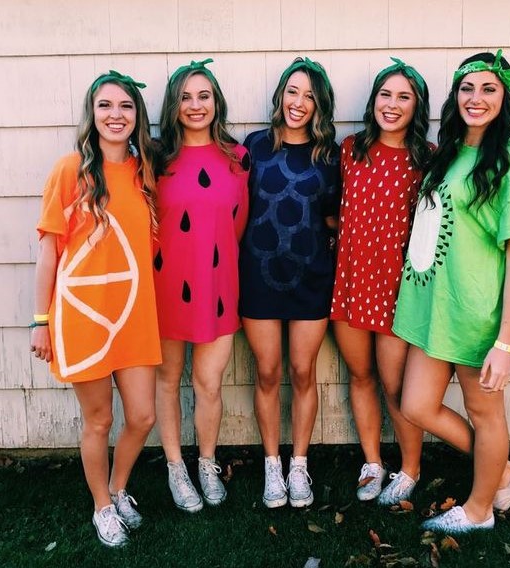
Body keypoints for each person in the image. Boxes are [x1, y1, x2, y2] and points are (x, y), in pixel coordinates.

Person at [393, 50, 510, 533]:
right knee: (415, 405)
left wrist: (505, 343)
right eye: (467, 89)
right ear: (456, 97)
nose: (476, 99)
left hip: (477, 316)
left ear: (504, 96)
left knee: (485, 414)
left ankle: (480, 511)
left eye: (489, 89)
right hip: (435, 310)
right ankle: (507, 472)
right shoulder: (451, 152)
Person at [30, 70, 161, 547]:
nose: (115, 115)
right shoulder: (71, 171)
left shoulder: (144, 172)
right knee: (99, 420)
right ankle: (101, 507)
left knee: (143, 415)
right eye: (105, 106)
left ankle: (119, 488)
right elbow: (49, 252)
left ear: (137, 116)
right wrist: (41, 320)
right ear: (92, 114)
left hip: (133, 315)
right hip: (82, 317)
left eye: (125, 106)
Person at [330, 58, 432, 505]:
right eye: (385, 95)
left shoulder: (426, 158)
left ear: (416, 106)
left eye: (403, 97)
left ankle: (410, 468)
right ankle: (373, 461)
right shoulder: (350, 148)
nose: (391, 105)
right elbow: (335, 208)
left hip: (397, 288)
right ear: (373, 101)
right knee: (360, 375)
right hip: (352, 281)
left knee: (395, 386)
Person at [239, 57, 340, 508]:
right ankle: (272, 467)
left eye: (310, 96)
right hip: (258, 278)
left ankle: (299, 466)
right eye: (293, 92)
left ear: (320, 105)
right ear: (280, 95)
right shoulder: (253, 147)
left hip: (310, 278)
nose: (299, 103)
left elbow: (335, 219)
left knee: (303, 372)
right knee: (267, 372)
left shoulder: (329, 155)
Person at [153, 59, 249, 512]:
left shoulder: (238, 158)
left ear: (216, 102)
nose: (195, 105)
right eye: (186, 97)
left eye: (203, 96)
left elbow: (239, 227)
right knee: (168, 379)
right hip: (164, 286)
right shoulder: (155, 159)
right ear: (174, 105)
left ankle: (206, 462)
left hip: (218, 284)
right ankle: (176, 467)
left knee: (209, 383)